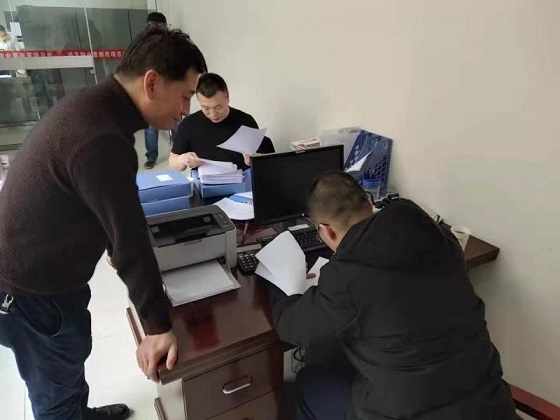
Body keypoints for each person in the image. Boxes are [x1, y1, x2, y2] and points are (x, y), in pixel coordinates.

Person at [0, 27, 207, 420]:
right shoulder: (101, 137)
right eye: (185, 95)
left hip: (47, 276)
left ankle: (80, 412)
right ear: (151, 83)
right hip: (30, 292)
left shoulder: (93, 107)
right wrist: (157, 327)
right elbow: (129, 239)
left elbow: (103, 211)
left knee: (70, 359)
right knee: (55, 394)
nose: (186, 110)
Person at [269, 171, 517, 420]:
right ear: (368, 203)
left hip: (409, 412)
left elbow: (294, 328)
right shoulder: (432, 231)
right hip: (490, 402)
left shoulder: (346, 275)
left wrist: (278, 285)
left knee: (309, 383)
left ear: (326, 231)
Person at [169, 73, 274, 172]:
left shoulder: (246, 121)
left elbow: (260, 161)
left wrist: (253, 161)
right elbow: (173, 161)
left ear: (227, 98)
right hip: (204, 183)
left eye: (218, 107)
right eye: (206, 108)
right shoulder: (189, 124)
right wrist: (183, 159)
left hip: (241, 181)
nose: (213, 114)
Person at [143, 12, 175, 170]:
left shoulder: (172, 42)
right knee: (151, 126)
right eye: (154, 26)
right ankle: (151, 156)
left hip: (171, 88)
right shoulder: (142, 44)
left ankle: (179, 151)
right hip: (151, 89)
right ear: (147, 27)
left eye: (161, 26)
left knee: (176, 122)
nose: (157, 29)